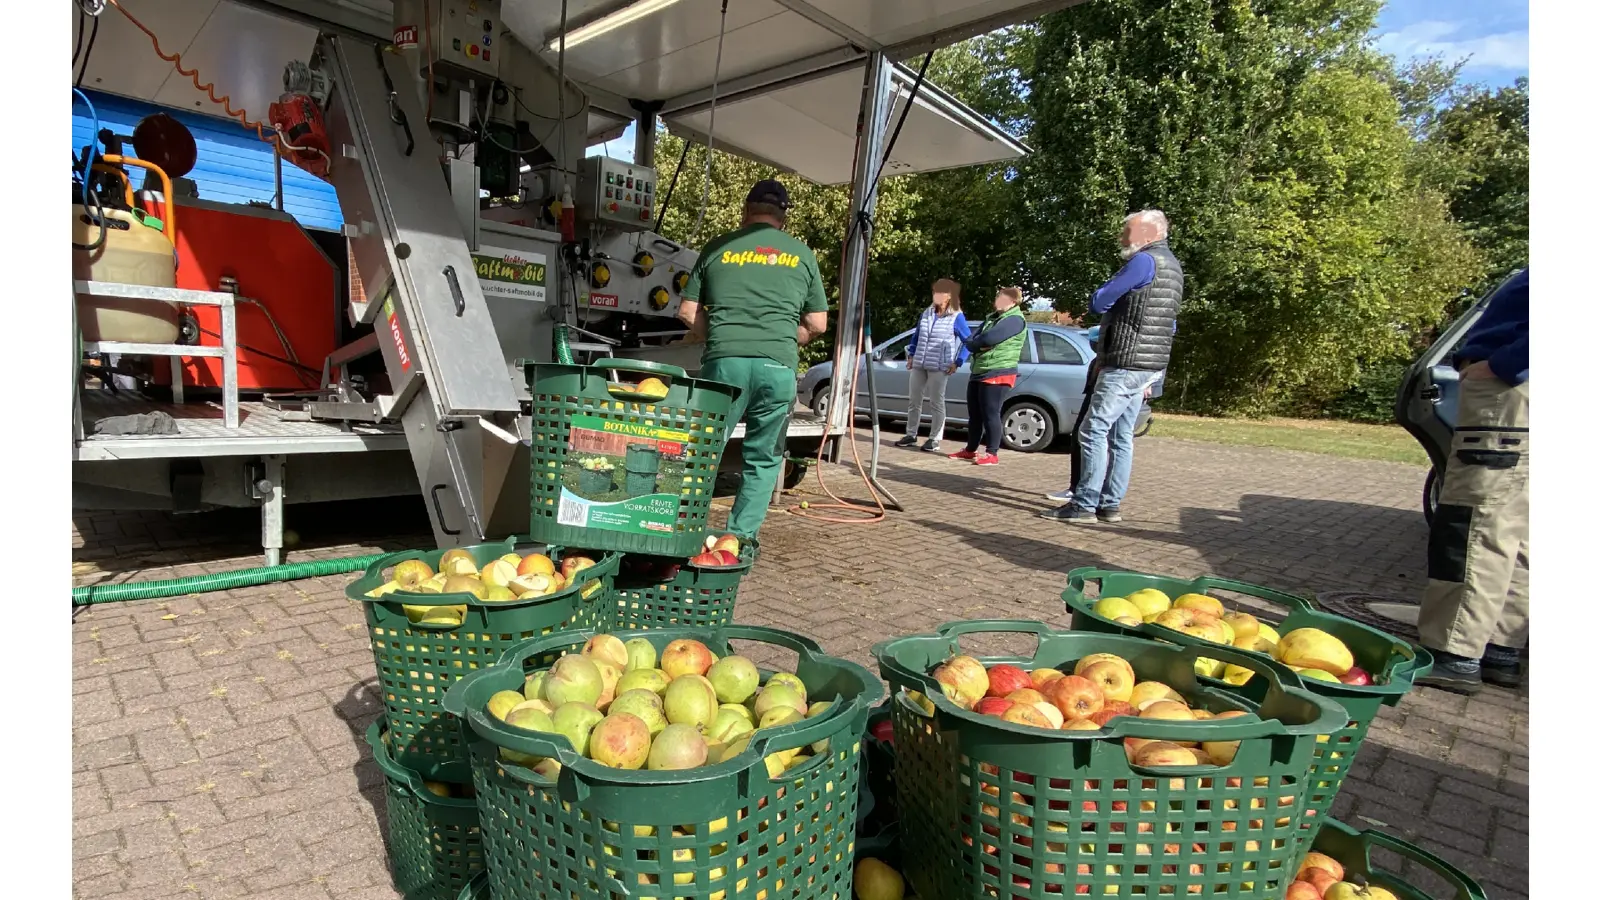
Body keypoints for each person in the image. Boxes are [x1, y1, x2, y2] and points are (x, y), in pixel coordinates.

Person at [676, 179, 829, 540]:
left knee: (702, 452)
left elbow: (686, 312)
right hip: (777, 368)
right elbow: (818, 324)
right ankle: (738, 541)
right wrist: (787, 337)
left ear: (746, 212)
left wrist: (718, 334)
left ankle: (679, 534)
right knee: (762, 459)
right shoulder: (802, 254)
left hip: (723, 365)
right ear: (784, 217)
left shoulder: (719, 247)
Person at [1414, 267, 1529, 694]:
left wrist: (1502, 365)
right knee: (1516, 532)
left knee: (1473, 525)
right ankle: (1498, 648)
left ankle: (1454, 653)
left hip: (1507, 399)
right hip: (1519, 402)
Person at [1041, 209, 1182, 524]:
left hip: (1125, 361)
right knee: (1121, 436)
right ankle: (1110, 505)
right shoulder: (1172, 267)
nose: (1122, 237)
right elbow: (1168, 327)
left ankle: (1084, 505)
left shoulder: (1143, 262)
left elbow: (1099, 301)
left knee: (1092, 431)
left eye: (1127, 231)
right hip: (1149, 365)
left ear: (1148, 233)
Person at [948, 287, 1028, 466]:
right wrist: (978, 344)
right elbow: (970, 340)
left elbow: (986, 340)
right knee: (974, 414)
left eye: (1002, 297)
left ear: (1013, 301)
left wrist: (980, 343)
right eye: (997, 296)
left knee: (991, 413)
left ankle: (992, 453)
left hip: (999, 371)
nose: (997, 300)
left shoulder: (1014, 320)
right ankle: (970, 450)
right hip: (979, 370)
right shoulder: (992, 318)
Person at [896, 278, 971, 453]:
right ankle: (911, 434)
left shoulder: (956, 316)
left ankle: (935, 439)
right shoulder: (927, 313)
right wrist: (911, 355)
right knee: (914, 400)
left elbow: (969, 341)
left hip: (940, 366)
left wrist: (958, 362)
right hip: (920, 363)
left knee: (936, 402)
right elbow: (917, 335)